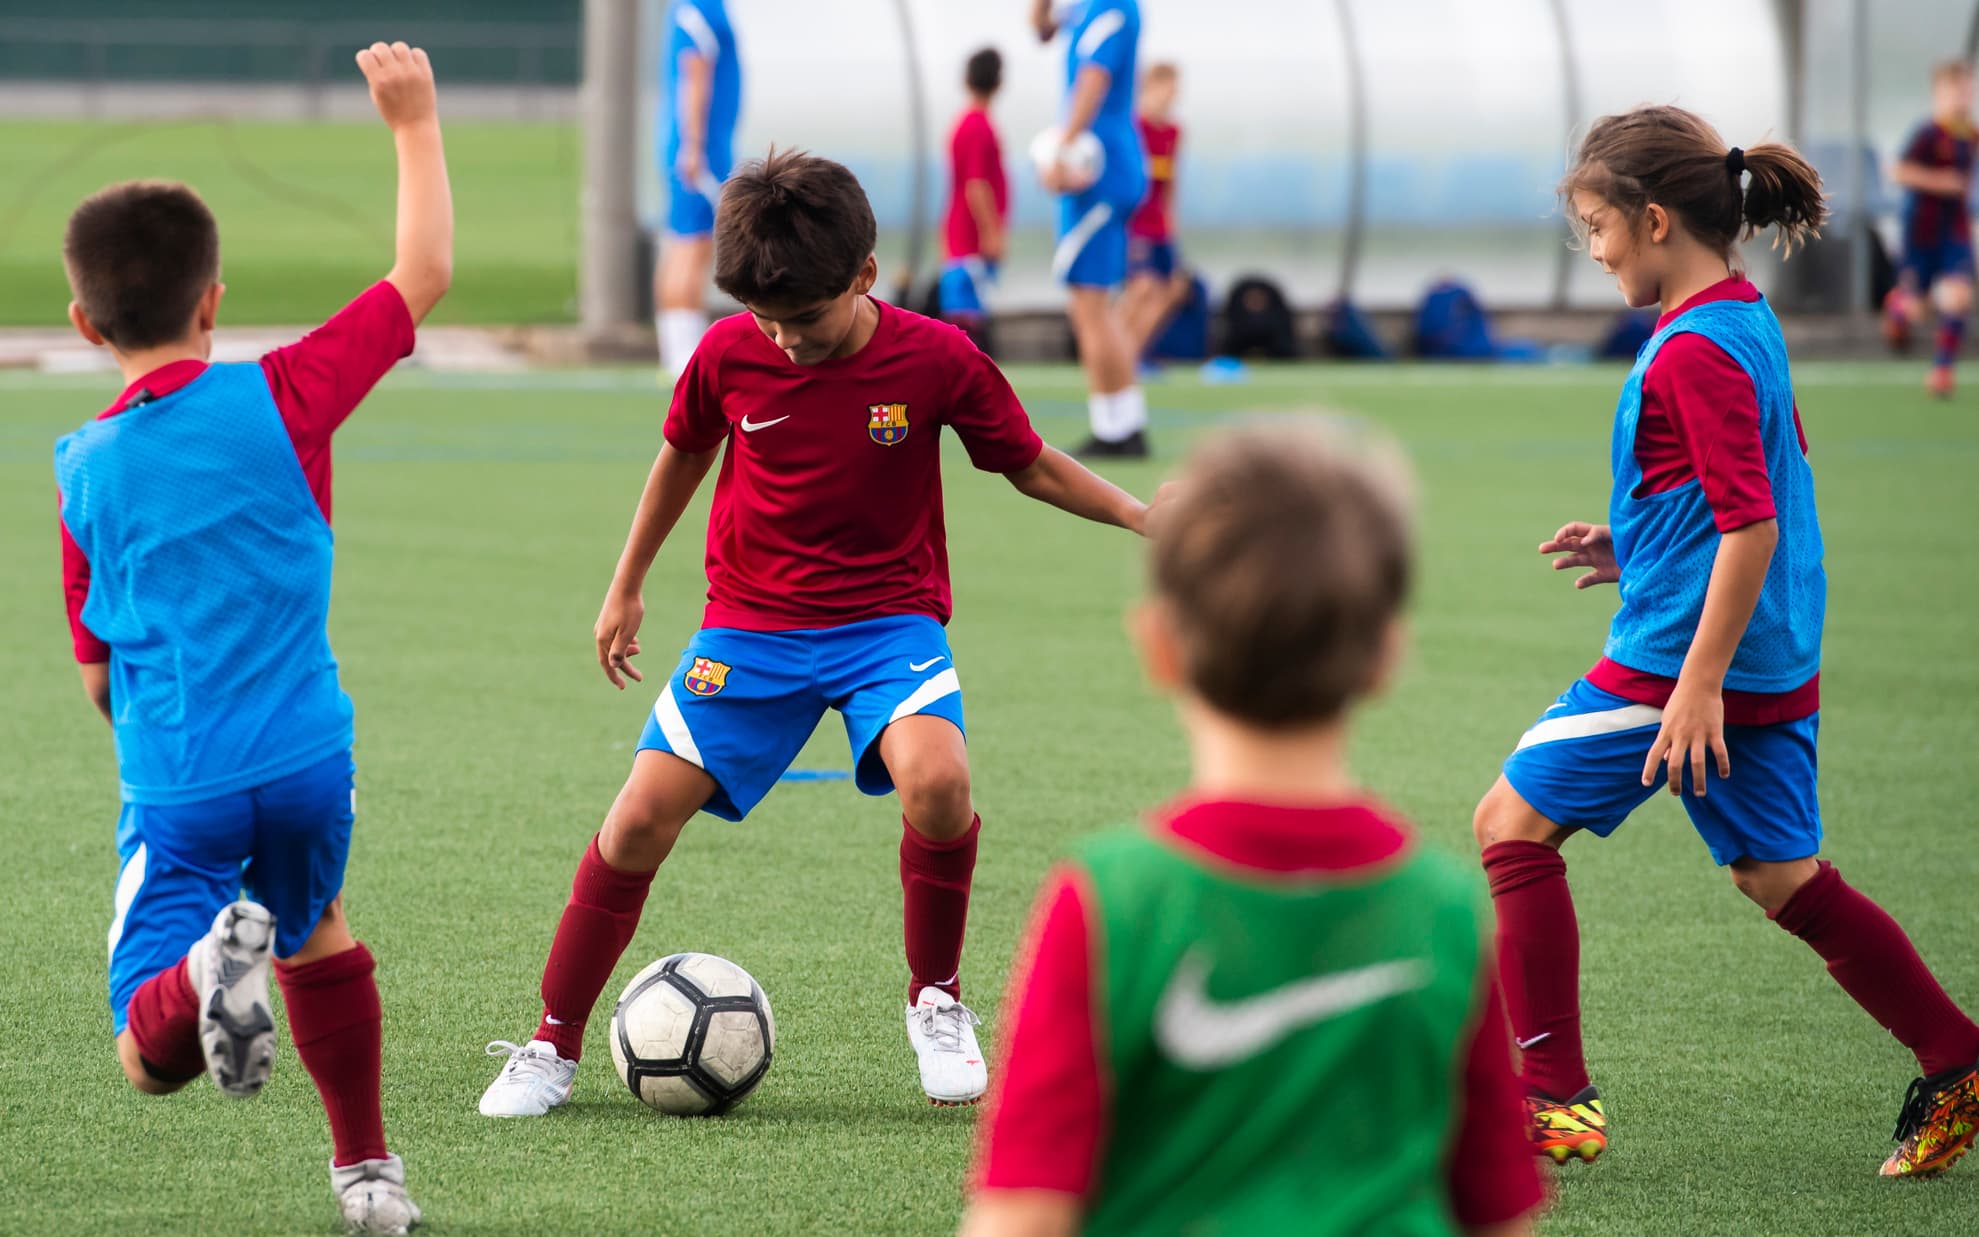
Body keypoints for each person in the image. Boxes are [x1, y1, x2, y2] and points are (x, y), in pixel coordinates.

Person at [477, 149, 1149, 1119]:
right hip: (749, 627)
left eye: (805, 319)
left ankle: (936, 998)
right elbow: (680, 458)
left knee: (939, 780)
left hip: (888, 623)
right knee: (633, 819)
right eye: (766, 320)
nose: (784, 342)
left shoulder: (936, 358)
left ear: (865, 276)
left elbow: (1030, 463)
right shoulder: (725, 355)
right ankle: (550, 1043)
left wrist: (1138, 517)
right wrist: (624, 585)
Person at [1476, 104, 1979, 1177]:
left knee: (1508, 823)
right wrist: (1636, 544)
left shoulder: (1690, 350)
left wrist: (1691, 683)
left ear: (1652, 219)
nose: (1594, 251)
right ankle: (1957, 1059)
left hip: (1684, 661)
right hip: (1760, 647)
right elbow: (1736, 495)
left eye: (1596, 229)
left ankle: (1550, 1097)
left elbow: (1748, 519)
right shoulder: (1739, 314)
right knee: (1779, 875)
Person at [50, 41, 452, 1233]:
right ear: (214, 301)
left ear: (81, 322)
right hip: (307, 760)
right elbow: (421, 271)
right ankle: (368, 1176)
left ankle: (195, 975)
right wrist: (412, 120)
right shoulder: (287, 391)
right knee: (318, 925)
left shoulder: (83, 472)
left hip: (183, 777)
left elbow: (95, 676)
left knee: (145, 1051)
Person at [962, 422, 1545, 1237]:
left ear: (1159, 647)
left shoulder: (1112, 899)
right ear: (1384, 656)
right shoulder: (1445, 905)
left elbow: (1021, 1215)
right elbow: (1495, 1216)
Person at [1031, 0, 1151, 459]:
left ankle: (1119, 429)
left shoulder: (1112, 8)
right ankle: (1120, 422)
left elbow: (1094, 79)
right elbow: (1041, 28)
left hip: (1098, 171)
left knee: (1091, 305)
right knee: (1091, 304)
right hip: (1102, 168)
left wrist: (1062, 148)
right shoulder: (1085, 9)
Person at [655, 0, 743, 380]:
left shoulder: (691, 9)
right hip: (701, 151)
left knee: (682, 245)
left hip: (694, 148)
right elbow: (696, 73)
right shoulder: (700, 10)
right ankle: (684, 362)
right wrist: (694, 146)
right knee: (693, 248)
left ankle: (676, 355)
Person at [1885, 60, 1975, 398]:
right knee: (1917, 308)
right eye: (1956, 92)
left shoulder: (1970, 135)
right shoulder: (1927, 133)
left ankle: (1941, 370)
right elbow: (1897, 171)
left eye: (1968, 91)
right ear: (1938, 95)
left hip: (1955, 232)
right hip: (1920, 232)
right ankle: (1897, 308)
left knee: (1959, 295)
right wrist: (1941, 181)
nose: (1963, 99)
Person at [938, 47, 1010, 351]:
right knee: (968, 310)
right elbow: (976, 186)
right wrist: (992, 233)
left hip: (959, 231)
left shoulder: (965, 123)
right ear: (999, 82)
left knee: (961, 303)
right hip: (971, 237)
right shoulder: (979, 126)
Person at [1120, 61, 1191, 360]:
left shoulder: (1174, 132)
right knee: (1142, 288)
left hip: (1160, 225)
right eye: (1168, 86)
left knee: (1172, 290)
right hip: (1135, 225)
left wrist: (1172, 226)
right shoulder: (1134, 128)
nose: (1173, 94)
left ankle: (1131, 355)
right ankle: (1112, 352)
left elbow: (1170, 185)